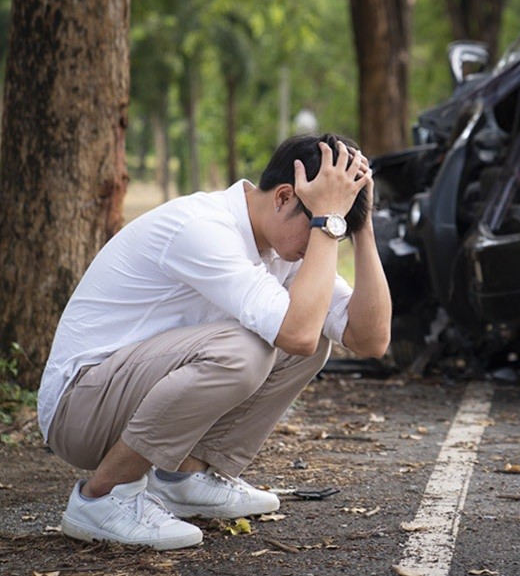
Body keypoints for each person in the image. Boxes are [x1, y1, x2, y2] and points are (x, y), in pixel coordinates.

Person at [36, 133, 392, 550]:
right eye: (321, 223)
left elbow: (370, 339)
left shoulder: (283, 247)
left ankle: (186, 476)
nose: (327, 235)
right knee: (250, 348)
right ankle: (103, 497)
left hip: (124, 396)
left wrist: (360, 225)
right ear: (282, 198)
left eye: (336, 228)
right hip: (80, 408)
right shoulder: (205, 228)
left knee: (311, 339)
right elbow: (294, 333)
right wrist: (327, 223)